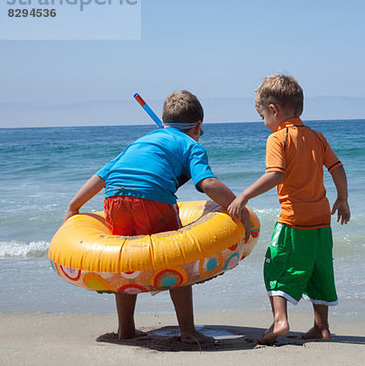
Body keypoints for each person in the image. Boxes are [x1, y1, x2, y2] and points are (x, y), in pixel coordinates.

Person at [64, 90, 250, 343]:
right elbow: (207, 183)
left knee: (125, 260)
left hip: (113, 198)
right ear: (197, 126)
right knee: (179, 255)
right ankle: (188, 331)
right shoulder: (192, 145)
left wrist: (74, 206)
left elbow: (102, 175)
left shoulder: (141, 141)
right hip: (152, 199)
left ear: (164, 123)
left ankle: (126, 329)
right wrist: (238, 205)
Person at [228, 75, 350, 345]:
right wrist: (343, 199)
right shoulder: (317, 137)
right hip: (321, 222)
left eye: (262, 116)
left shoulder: (277, 139)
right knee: (319, 271)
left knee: (276, 266)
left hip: (293, 221)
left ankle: (280, 321)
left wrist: (244, 195)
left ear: (273, 110)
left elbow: (276, 174)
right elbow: (337, 168)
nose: (263, 123)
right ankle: (322, 327)